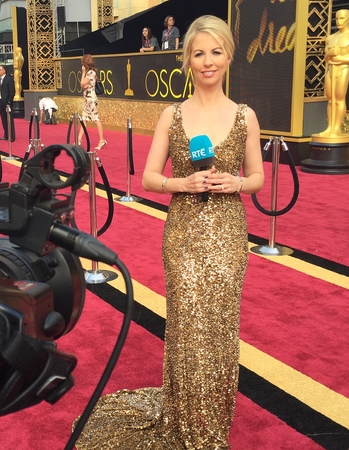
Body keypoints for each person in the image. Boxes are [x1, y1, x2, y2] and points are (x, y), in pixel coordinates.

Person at [74, 16, 264, 449]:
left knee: (218, 329)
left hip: (228, 235)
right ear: (187, 60)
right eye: (199, 53)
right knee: (185, 327)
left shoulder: (245, 116)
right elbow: (148, 178)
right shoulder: (172, 115)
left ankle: (212, 426)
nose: (208, 61)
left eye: (216, 52)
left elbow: (256, 178)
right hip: (182, 234)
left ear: (229, 56)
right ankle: (184, 422)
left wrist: (235, 182)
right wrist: (184, 183)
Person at [315, 9, 349, 138]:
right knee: (330, 99)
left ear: (348, 19)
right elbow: (325, 58)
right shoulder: (331, 37)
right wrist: (331, 54)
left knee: (339, 98)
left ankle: (336, 128)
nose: (339, 21)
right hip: (330, 69)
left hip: (342, 69)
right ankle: (330, 127)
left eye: (342, 18)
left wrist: (335, 56)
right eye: (337, 18)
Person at [78, 54, 105, 150]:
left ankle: (102, 140)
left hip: (91, 100)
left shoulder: (90, 73)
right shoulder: (89, 73)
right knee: (83, 119)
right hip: (87, 100)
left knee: (96, 120)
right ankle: (79, 139)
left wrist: (83, 73)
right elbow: (82, 85)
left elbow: (82, 83)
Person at [0, 65, 15, 141]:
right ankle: (6, 134)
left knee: (9, 119)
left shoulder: (9, 79)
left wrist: (9, 101)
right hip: (0, 102)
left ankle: (11, 136)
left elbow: (12, 91)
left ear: (4, 71)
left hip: (7, 102)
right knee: (3, 120)